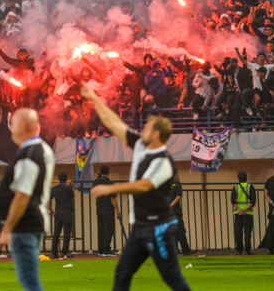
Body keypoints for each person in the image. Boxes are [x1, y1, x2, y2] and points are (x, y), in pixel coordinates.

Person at [82, 84, 190, 291]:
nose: (142, 129)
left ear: (157, 134)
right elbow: (115, 123)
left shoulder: (163, 161)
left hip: (159, 227)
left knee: (172, 278)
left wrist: (111, 189)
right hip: (140, 228)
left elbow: (144, 185)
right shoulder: (141, 145)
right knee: (122, 273)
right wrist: (95, 100)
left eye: (148, 127)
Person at [0, 108, 55, 291]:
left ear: (22, 126)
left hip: (25, 225)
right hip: (31, 223)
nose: (11, 130)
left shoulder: (29, 154)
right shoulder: (42, 149)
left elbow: (23, 195)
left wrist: (7, 228)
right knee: (29, 280)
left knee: (29, 281)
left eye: (12, 125)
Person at [93, 165, 121, 257]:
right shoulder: (109, 183)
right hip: (108, 209)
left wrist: (98, 178)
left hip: (99, 209)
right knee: (109, 229)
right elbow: (113, 198)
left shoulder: (96, 182)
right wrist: (117, 209)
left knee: (101, 230)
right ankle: (106, 250)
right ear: (109, 171)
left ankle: (100, 250)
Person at [48, 171, 74, 259]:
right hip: (67, 212)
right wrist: (72, 188)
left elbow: (48, 202)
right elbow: (72, 199)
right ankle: (64, 252)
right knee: (67, 233)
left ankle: (54, 253)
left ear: (58, 179)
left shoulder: (54, 189)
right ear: (66, 179)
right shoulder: (68, 189)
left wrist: (51, 212)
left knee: (56, 232)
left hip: (58, 212)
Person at [169, 169, 194, 256]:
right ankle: (186, 250)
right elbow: (178, 197)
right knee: (180, 230)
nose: (179, 177)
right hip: (176, 212)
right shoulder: (177, 185)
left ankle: (175, 250)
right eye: (177, 175)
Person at [231, 171, 256, 255]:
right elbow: (253, 200)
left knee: (238, 232)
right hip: (248, 213)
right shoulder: (250, 187)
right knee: (247, 232)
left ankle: (239, 250)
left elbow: (232, 200)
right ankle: (247, 249)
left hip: (238, 214)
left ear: (238, 178)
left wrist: (238, 210)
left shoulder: (235, 187)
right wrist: (246, 209)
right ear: (246, 178)